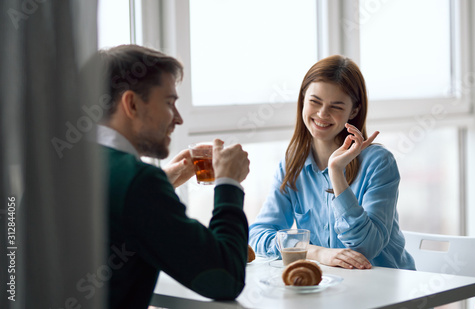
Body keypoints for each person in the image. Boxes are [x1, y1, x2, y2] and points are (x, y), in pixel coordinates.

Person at [96, 44, 250, 309]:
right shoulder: (140, 182)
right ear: (131, 104)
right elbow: (226, 278)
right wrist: (229, 183)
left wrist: (164, 183)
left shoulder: (67, 164)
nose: (178, 119)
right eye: (169, 103)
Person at [249, 55, 415, 270]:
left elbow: (366, 248)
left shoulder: (379, 163)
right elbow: (258, 236)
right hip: (331, 286)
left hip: (386, 288)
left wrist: (336, 172)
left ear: (353, 111)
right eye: (315, 102)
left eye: (336, 106)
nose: (322, 114)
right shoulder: (292, 164)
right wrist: (315, 252)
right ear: (302, 100)